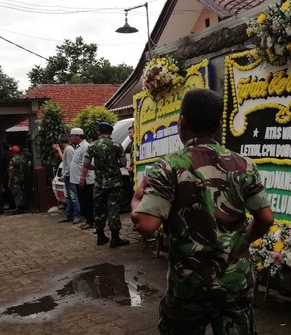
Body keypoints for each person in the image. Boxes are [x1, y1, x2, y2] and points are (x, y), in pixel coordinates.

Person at [131, 89, 274, 335]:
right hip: (234, 281)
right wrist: (241, 242)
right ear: (219, 125)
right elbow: (265, 218)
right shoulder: (244, 164)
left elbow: (146, 226)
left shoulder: (167, 167)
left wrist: (136, 201)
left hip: (189, 284)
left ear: (181, 122)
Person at [83, 122, 129, 247]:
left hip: (98, 183)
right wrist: (114, 166)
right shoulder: (116, 145)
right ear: (110, 132)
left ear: (99, 132)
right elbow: (124, 163)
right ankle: (115, 238)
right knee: (113, 208)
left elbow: (86, 163)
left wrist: (97, 167)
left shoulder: (92, 146)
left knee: (98, 209)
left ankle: (100, 237)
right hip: (114, 183)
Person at [69, 128, 94, 229]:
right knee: (83, 202)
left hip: (85, 180)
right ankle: (88, 220)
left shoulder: (85, 147)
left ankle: (91, 221)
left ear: (78, 136)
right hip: (78, 179)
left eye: (72, 136)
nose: (71, 138)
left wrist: (82, 177)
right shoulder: (78, 147)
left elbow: (86, 164)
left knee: (87, 202)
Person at [53, 134, 80, 223]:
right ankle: (69, 215)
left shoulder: (68, 149)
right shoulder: (68, 149)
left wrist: (64, 175)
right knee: (70, 197)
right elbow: (65, 160)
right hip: (69, 176)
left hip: (70, 176)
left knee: (73, 197)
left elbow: (69, 165)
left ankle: (76, 216)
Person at [7, 146, 28, 214]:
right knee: (22, 192)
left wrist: (9, 181)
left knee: (16, 193)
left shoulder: (13, 160)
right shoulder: (23, 159)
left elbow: (11, 171)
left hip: (15, 179)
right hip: (23, 178)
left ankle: (19, 207)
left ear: (13, 152)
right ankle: (24, 206)